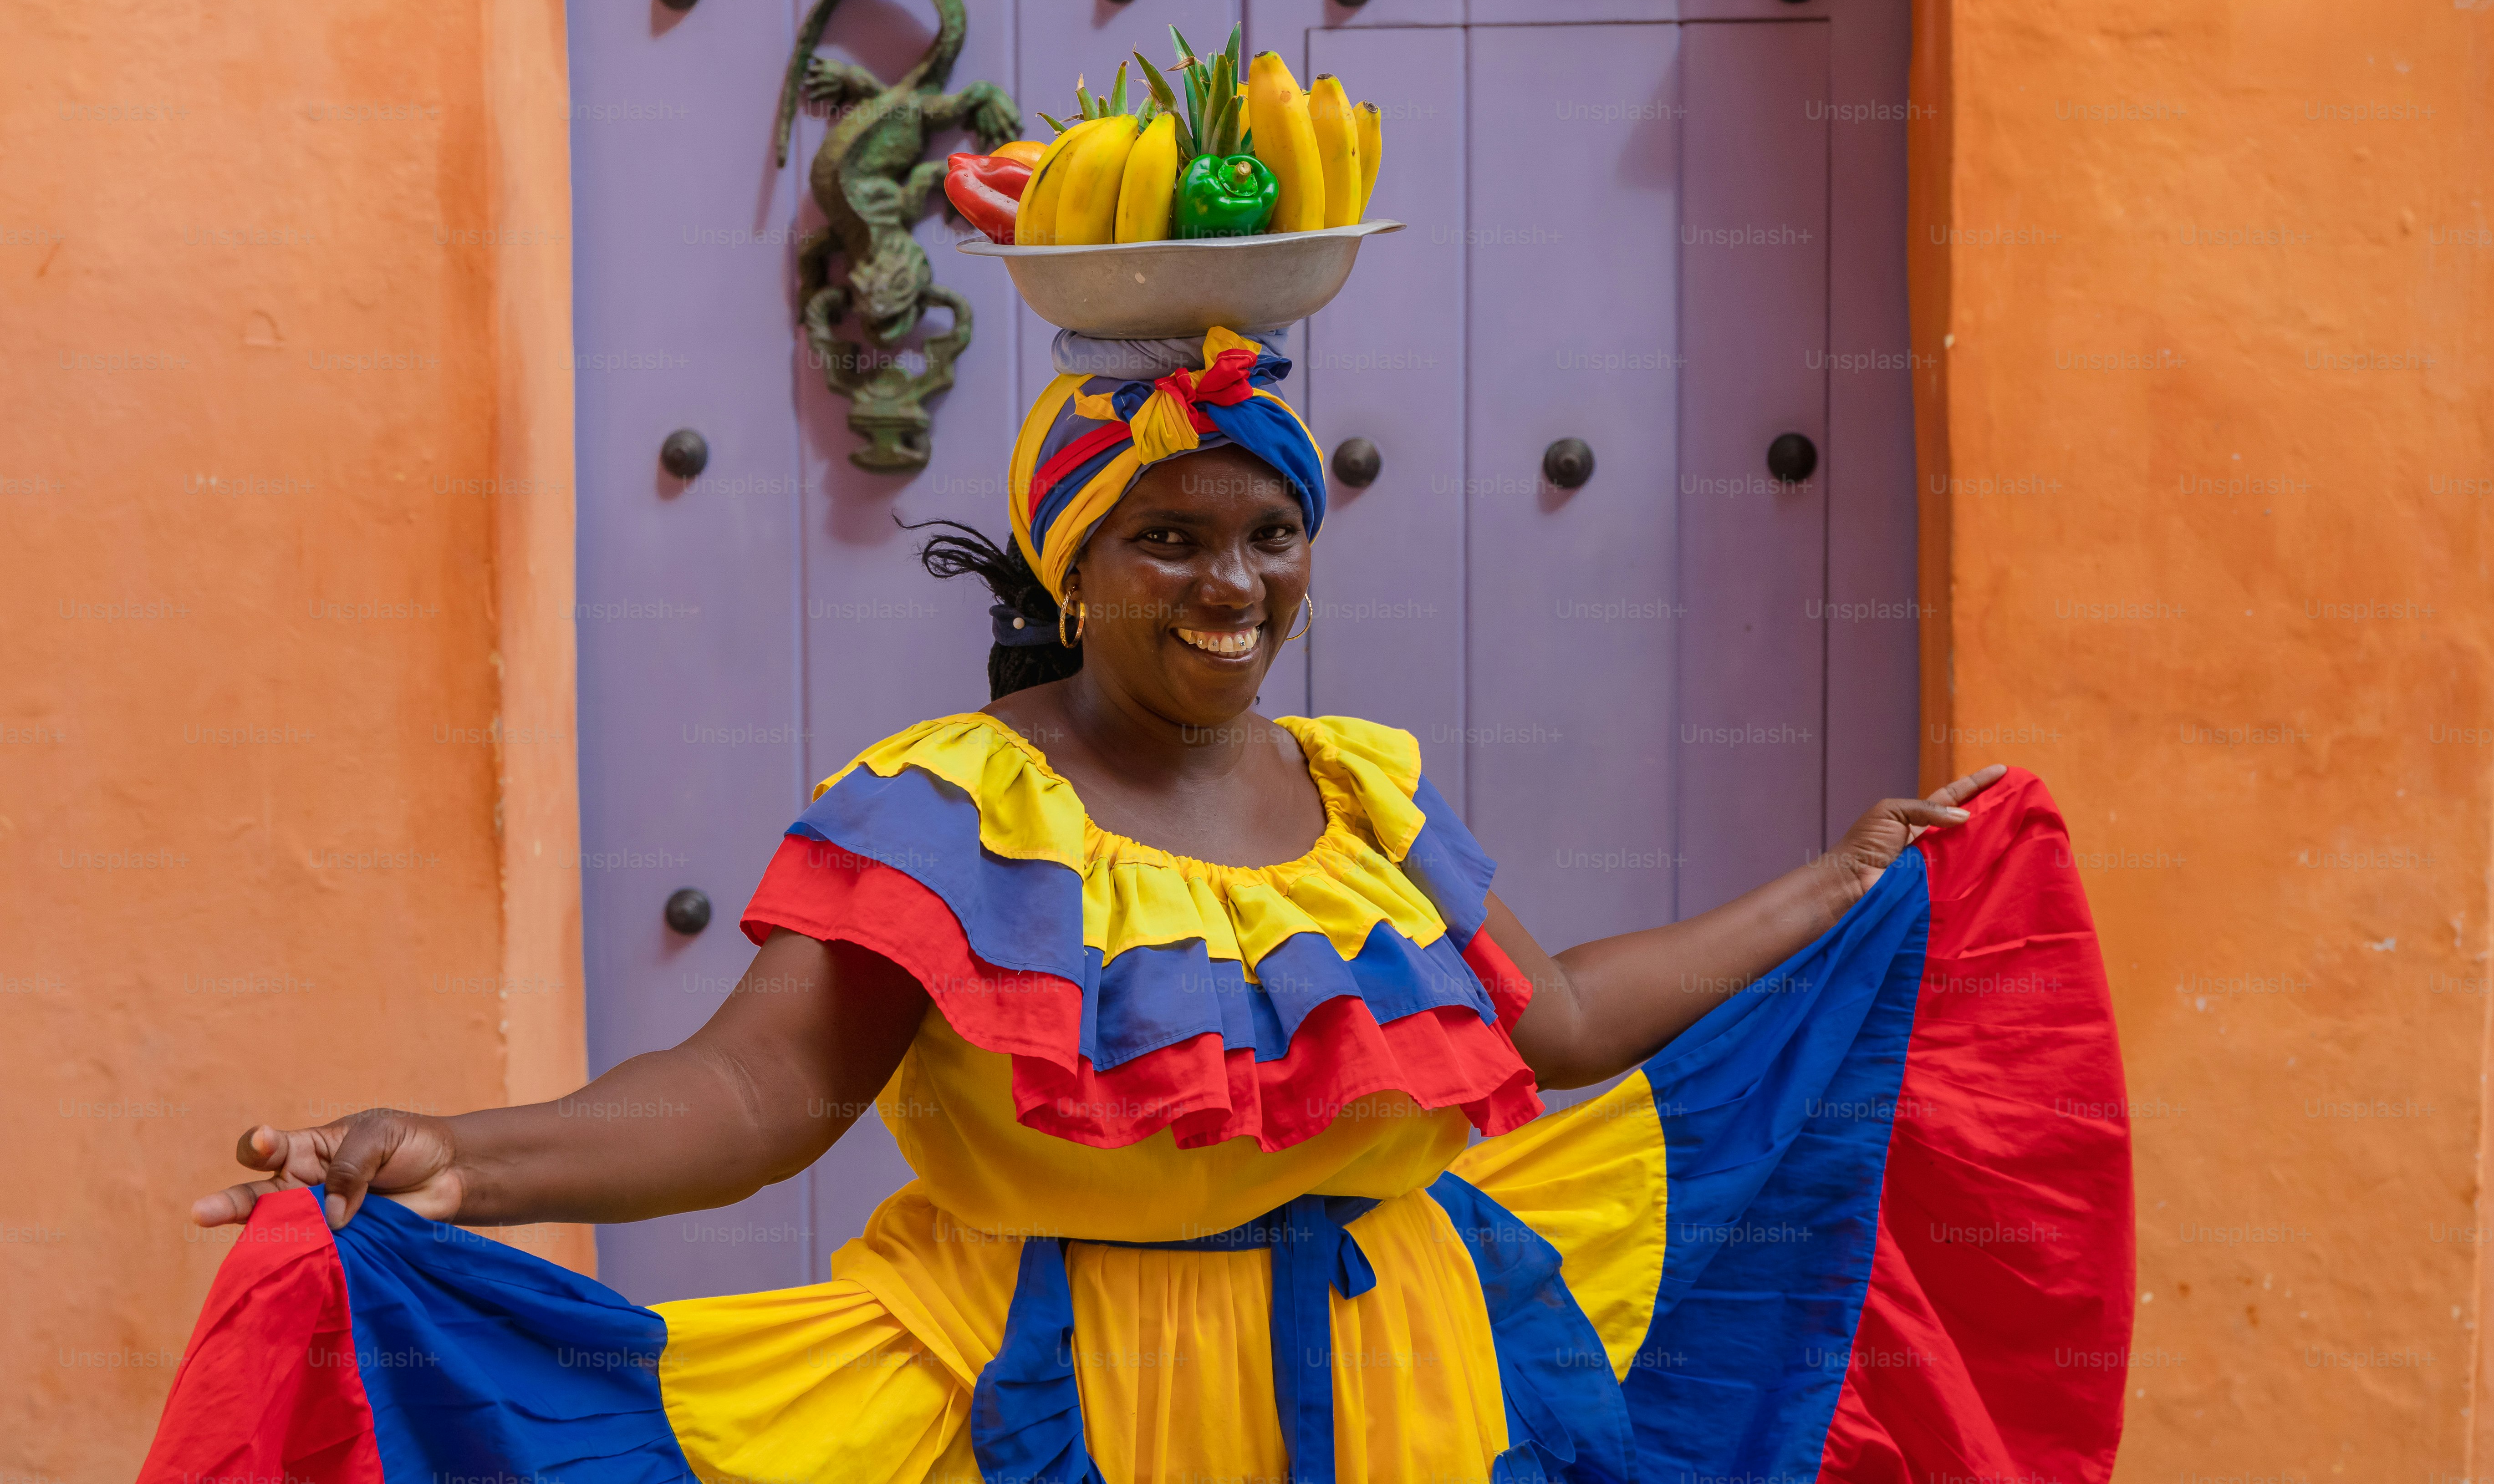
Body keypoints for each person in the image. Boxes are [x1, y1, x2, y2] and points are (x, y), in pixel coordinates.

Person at [152, 328, 2127, 1484]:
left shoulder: (1356, 786)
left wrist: (1840, 878)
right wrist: (452, 1161)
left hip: (1411, 1371)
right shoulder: (955, 803)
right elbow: (749, 1101)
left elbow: (1557, 1023)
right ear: (1071, 569)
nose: (1230, 584)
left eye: (1267, 536)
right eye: (1169, 540)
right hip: (1061, 1389)